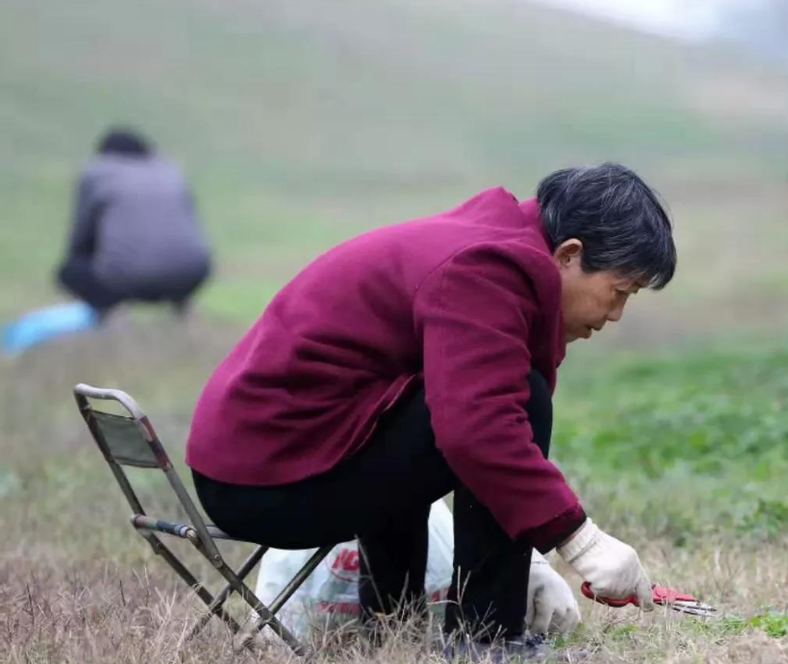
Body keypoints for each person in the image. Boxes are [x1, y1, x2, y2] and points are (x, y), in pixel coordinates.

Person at [185, 164, 676, 658]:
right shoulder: (485, 269)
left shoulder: (491, 249)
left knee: (458, 398)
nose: (615, 315)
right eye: (620, 291)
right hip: (267, 485)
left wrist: (525, 552)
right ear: (570, 255)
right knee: (514, 400)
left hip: (269, 463)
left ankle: (392, 622)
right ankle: (487, 640)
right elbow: (477, 431)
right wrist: (580, 541)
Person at [57, 127, 211, 317]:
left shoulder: (97, 173)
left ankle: (106, 318)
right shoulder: (170, 171)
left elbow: (82, 234)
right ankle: (181, 312)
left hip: (130, 280)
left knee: (70, 271)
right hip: (193, 273)